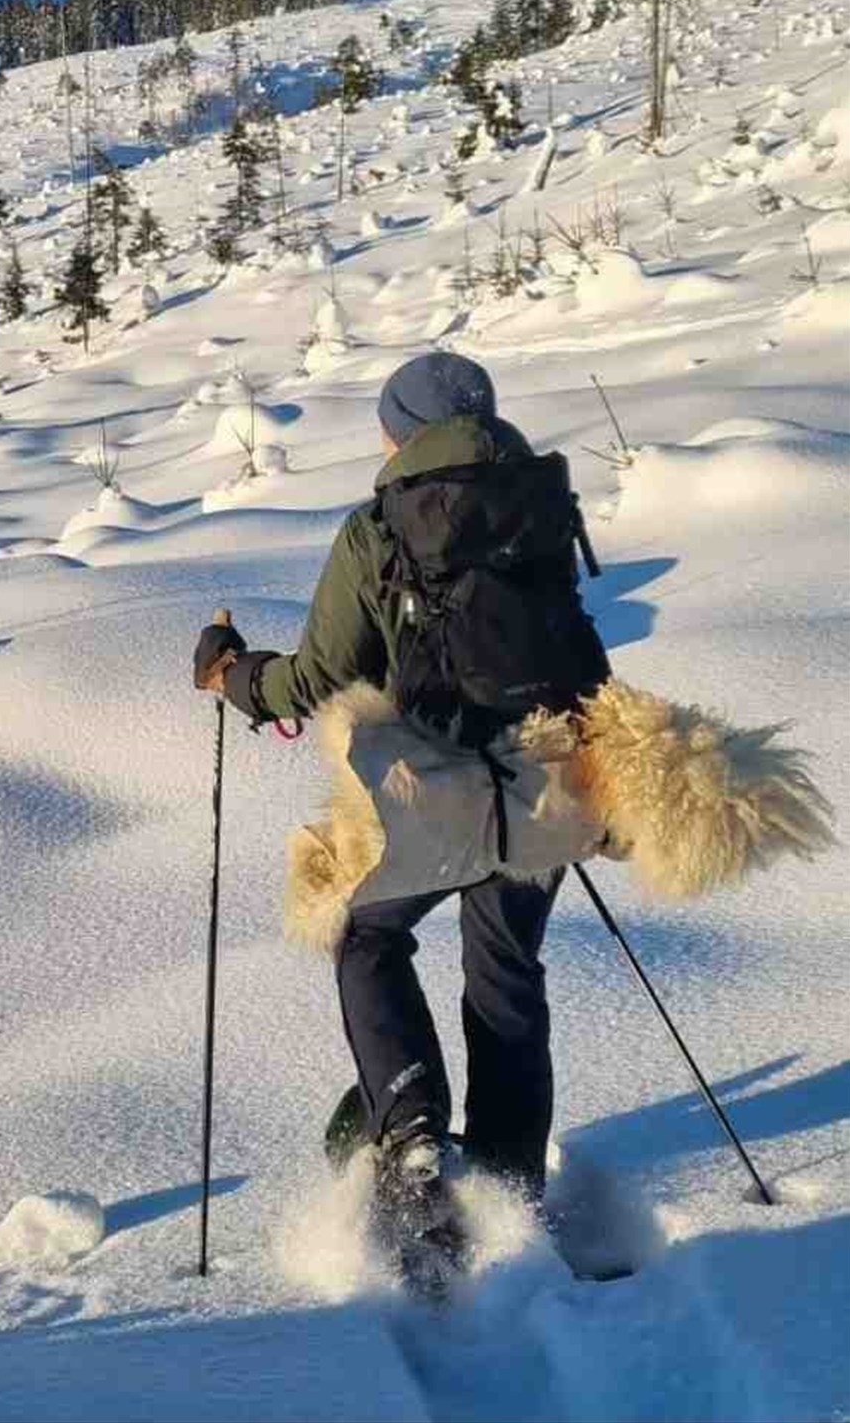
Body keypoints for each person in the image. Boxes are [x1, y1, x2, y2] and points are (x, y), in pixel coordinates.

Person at [194, 350, 608, 1231]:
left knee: (366, 936)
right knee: (506, 972)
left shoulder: (377, 527)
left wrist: (234, 678)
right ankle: (508, 1190)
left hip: (430, 788)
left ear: (400, 433)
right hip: (544, 781)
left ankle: (413, 1135)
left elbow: (315, 679)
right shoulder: (540, 505)